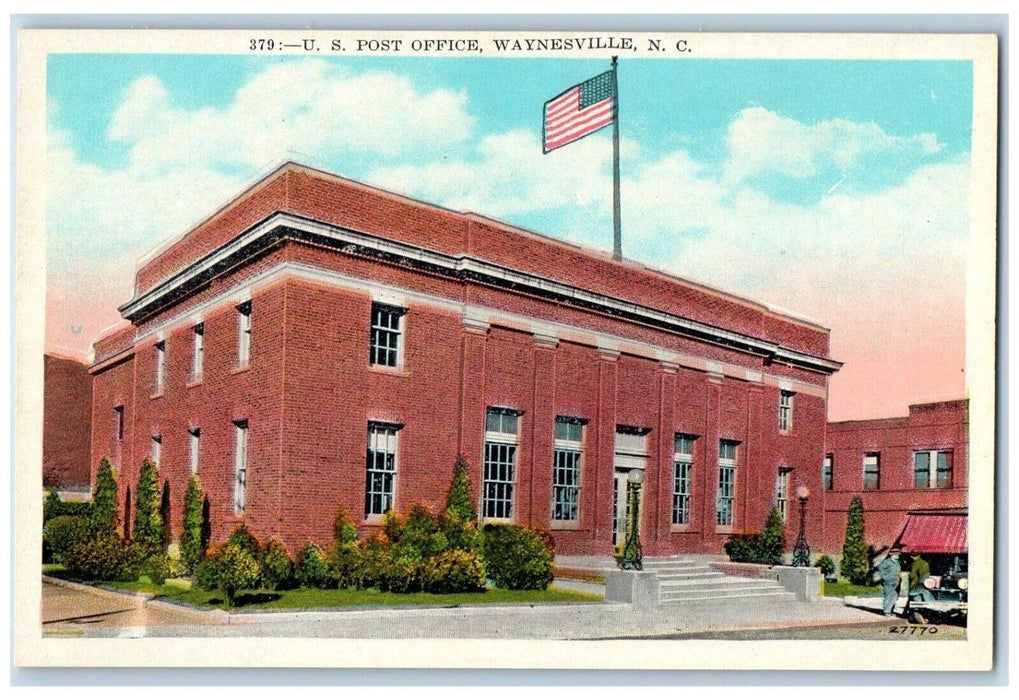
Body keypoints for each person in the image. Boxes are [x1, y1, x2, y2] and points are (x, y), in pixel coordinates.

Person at [875, 549, 902, 617]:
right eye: (896, 554)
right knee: (888, 596)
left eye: (898, 554)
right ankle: (886, 611)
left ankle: (891, 610)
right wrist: (884, 577)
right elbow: (880, 568)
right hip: (888, 581)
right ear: (891, 554)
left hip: (896, 581)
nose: (898, 555)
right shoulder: (887, 562)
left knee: (895, 597)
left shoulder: (897, 562)